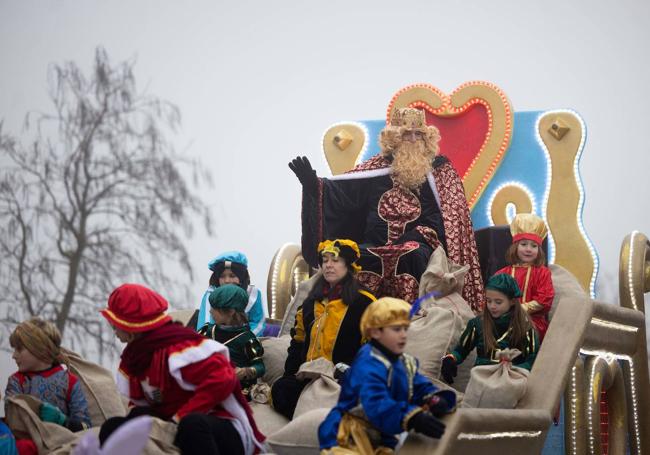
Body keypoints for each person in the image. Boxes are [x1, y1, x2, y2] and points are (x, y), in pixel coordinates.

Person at [289, 107, 484, 311]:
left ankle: (414, 314)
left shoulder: (440, 170)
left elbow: (448, 218)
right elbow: (343, 195)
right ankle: (352, 314)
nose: (413, 139)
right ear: (394, 137)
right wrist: (314, 186)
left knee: (411, 255)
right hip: (376, 245)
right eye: (407, 134)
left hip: (419, 244)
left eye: (419, 134)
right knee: (349, 255)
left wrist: (418, 236)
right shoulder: (376, 167)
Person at [99, 283, 265, 455]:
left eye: (114, 325)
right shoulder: (135, 356)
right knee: (114, 428)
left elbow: (224, 379)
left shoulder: (180, 347)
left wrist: (180, 417)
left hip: (218, 425)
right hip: (173, 422)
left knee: (192, 424)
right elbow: (144, 400)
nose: (114, 331)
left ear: (131, 327)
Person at [319, 297, 456, 453]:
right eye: (397, 329)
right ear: (375, 331)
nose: (404, 335)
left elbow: (417, 384)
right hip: (349, 435)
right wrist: (412, 417)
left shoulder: (404, 361)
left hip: (383, 434)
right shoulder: (367, 363)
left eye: (406, 328)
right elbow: (375, 403)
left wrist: (433, 398)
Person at [271, 239, 376, 420]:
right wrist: (290, 376)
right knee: (281, 390)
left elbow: (373, 350)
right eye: (325, 260)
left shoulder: (365, 302)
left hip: (341, 379)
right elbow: (297, 345)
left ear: (348, 264)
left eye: (335, 260)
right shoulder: (310, 303)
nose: (328, 265)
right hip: (308, 378)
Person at [441, 274, 539, 385]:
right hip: (480, 380)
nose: (492, 306)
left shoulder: (526, 327)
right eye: (488, 301)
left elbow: (533, 359)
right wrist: (450, 359)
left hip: (511, 382)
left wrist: (512, 369)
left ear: (512, 301)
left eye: (498, 302)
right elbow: (461, 350)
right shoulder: (477, 323)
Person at [5, 318, 91, 433]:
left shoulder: (70, 382)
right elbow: (13, 421)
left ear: (39, 349)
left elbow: (86, 428)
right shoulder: (16, 381)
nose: (14, 356)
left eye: (19, 349)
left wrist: (63, 421)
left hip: (62, 446)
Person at [495, 213, 555, 341]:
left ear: (539, 250)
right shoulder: (501, 274)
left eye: (534, 246)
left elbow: (545, 299)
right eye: (524, 244)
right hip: (504, 320)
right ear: (515, 247)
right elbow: (494, 297)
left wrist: (520, 309)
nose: (529, 249)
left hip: (532, 323)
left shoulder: (542, 272)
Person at [198, 284, 265, 397]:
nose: (210, 312)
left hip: (234, 387)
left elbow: (260, 367)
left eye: (215, 308)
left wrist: (245, 372)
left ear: (230, 312)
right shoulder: (207, 330)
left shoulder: (247, 338)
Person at [193, 251, 267, 336]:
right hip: (217, 341)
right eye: (222, 276)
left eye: (232, 276)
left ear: (242, 277)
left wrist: (245, 339)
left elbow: (258, 323)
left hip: (246, 339)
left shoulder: (253, 294)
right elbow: (206, 323)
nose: (227, 280)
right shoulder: (211, 295)